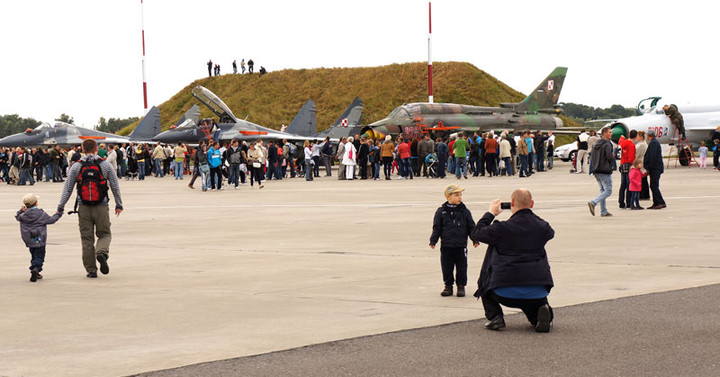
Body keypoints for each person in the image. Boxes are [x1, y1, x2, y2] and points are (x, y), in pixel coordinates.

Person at [471, 189, 555, 332]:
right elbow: (549, 231)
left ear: (511, 204)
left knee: (486, 281)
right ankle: (540, 315)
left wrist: (490, 213)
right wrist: (529, 213)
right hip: (537, 289)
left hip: (503, 290)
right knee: (534, 302)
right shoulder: (542, 227)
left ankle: (495, 316)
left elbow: (476, 233)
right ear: (532, 204)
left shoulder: (502, 228)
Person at [57, 139, 123, 278]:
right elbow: (115, 186)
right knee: (104, 234)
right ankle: (101, 252)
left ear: (82, 149)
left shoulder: (76, 166)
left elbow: (67, 189)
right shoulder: (105, 165)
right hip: (101, 206)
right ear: (96, 149)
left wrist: (61, 206)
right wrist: (119, 204)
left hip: (84, 207)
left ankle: (91, 270)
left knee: (87, 240)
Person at [429, 184, 478, 297]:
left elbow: (471, 226)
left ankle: (461, 286)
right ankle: (448, 285)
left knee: (462, 267)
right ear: (448, 197)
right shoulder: (441, 212)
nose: (459, 197)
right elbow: (437, 227)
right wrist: (433, 240)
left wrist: (474, 239)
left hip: (460, 245)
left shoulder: (465, 211)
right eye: (456, 195)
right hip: (446, 245)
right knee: (447, 267)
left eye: (460, 195)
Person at [16, 193, 62, 282]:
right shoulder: (40, 213)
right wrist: (58, 214)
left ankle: (34, 268)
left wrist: (21, 211)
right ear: (36, 203)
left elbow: (18, 217)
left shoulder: (24, 215)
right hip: (38, 236)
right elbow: (51, 220)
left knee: (33, 253)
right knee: (40, 254)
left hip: (29, 238)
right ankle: (36, 268)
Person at [588, 127, 615, 217]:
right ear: (604, 133)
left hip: (596, 170)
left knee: (603, 190)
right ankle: (593, 202)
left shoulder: (596, 144)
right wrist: (612, 156)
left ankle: (603, 211)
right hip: (604, 170)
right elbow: (609, 157)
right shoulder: (607, 144)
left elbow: (593, 157)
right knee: (608, 191)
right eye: (609, 132)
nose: (611, 134)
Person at [643, 130, 666, 209]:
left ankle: (660, 202)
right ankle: (655, 202)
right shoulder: (653, 142)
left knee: (654, 186)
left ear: (649, 136)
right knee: (653, 185)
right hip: (654, 168)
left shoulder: (654, 143)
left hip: (655, 168)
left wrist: (649, 167)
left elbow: (652, 157)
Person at [618, 130, 637, 209]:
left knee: (623, 185)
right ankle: (628, 202)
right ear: (635, 137)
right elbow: (631, 157)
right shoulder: (631, 145)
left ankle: (621, 202)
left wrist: (622, 136)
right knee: (629, 185)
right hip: (629, 165)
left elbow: (620, 140)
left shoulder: (623, 143)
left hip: (622, 165)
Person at [634, 131, 650, 199]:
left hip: (640, 163)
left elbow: (637, 155)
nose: (636, 137)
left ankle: (643, 195)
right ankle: (644, 195)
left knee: (642, 180)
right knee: (643, 180)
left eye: (637, 136)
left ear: (641, 137)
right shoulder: (641, 144)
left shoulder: (642, 145)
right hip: (641, 162)